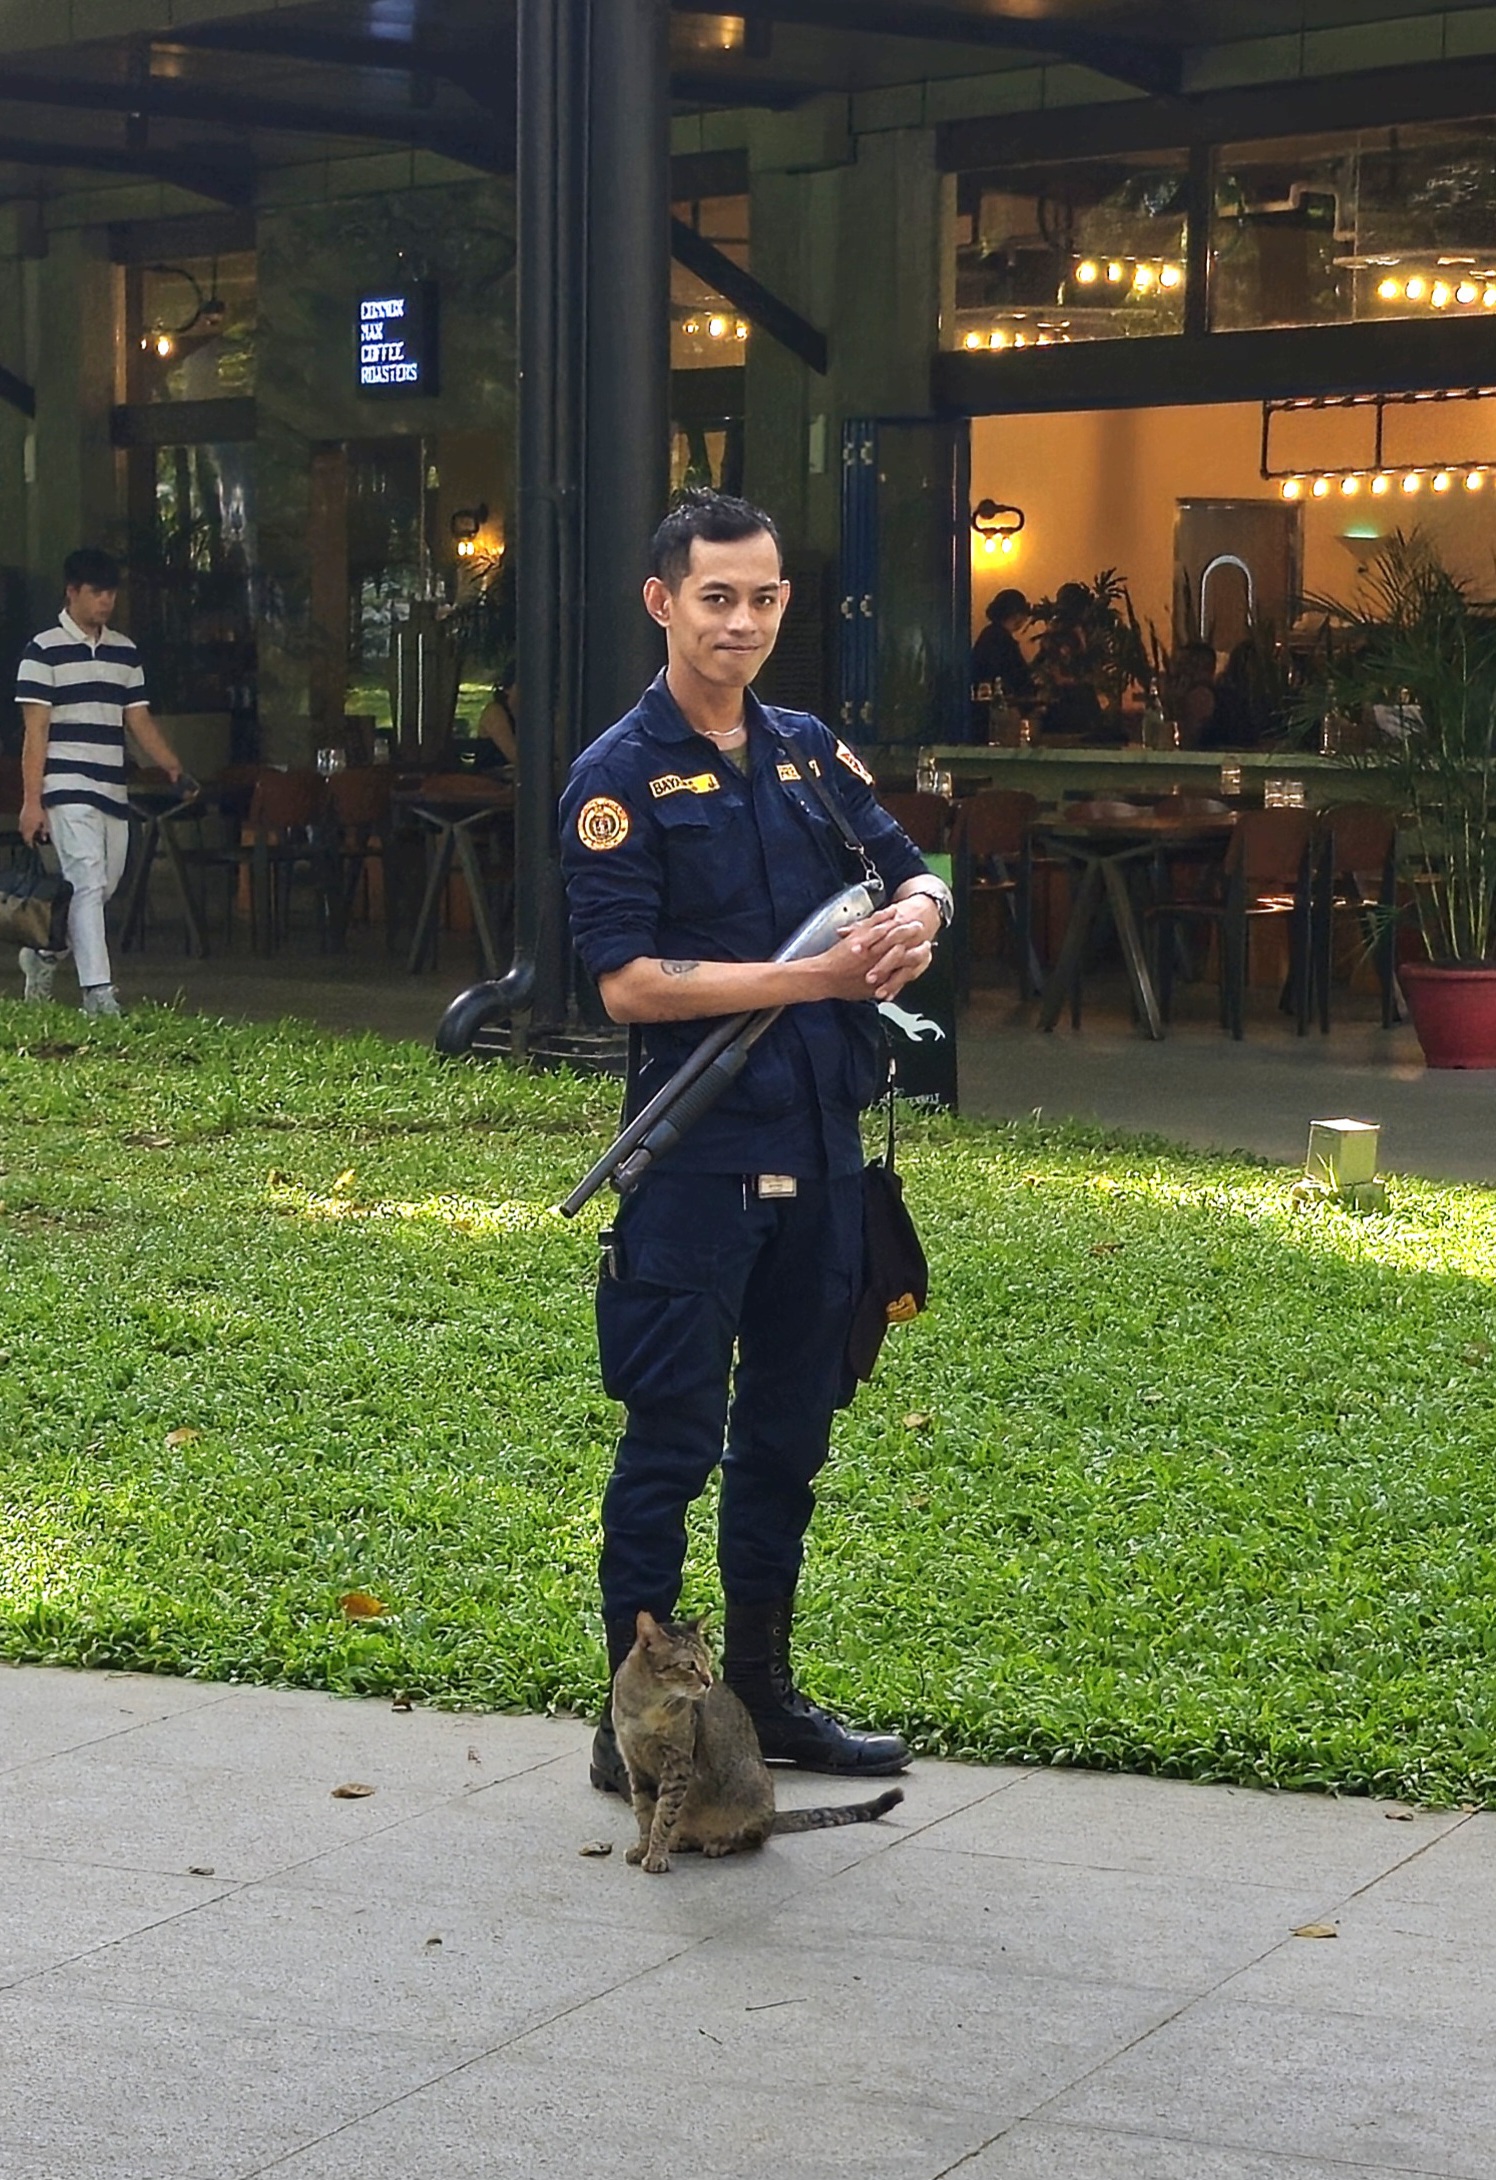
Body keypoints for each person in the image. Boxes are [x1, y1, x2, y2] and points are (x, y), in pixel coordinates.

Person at [559, 489, 953, 1792]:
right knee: (671, 1444)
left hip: (826, 1151)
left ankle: (767, 1696)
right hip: (699, 1162)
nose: (742, 620)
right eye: (716, 596)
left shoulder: (807, 752)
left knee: (788, 1435)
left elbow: (913, 866)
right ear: (661, 602)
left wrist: (920, 920)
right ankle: (645, 1730)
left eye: (764, 596)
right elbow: (628, 984)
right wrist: (818, 980)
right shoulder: (618, 778)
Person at [16, 548, 191, 1015]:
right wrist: (32, 802)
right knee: (88, 881)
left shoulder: (124, 652)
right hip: (67, 786)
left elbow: (139, 720)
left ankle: (43, 954)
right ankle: (98, 992)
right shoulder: (42, 650)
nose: (106, 601)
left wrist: (171, 764)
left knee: (101, 885)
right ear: (72, 592)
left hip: (112, 788)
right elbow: (36, 733)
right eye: (97, 592)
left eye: (111, 592)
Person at [969, 587, 1037, 711]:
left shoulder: (989, 634)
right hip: (999, 705)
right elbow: (1017, 675)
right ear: (1017, 615)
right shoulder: (1002, 640)